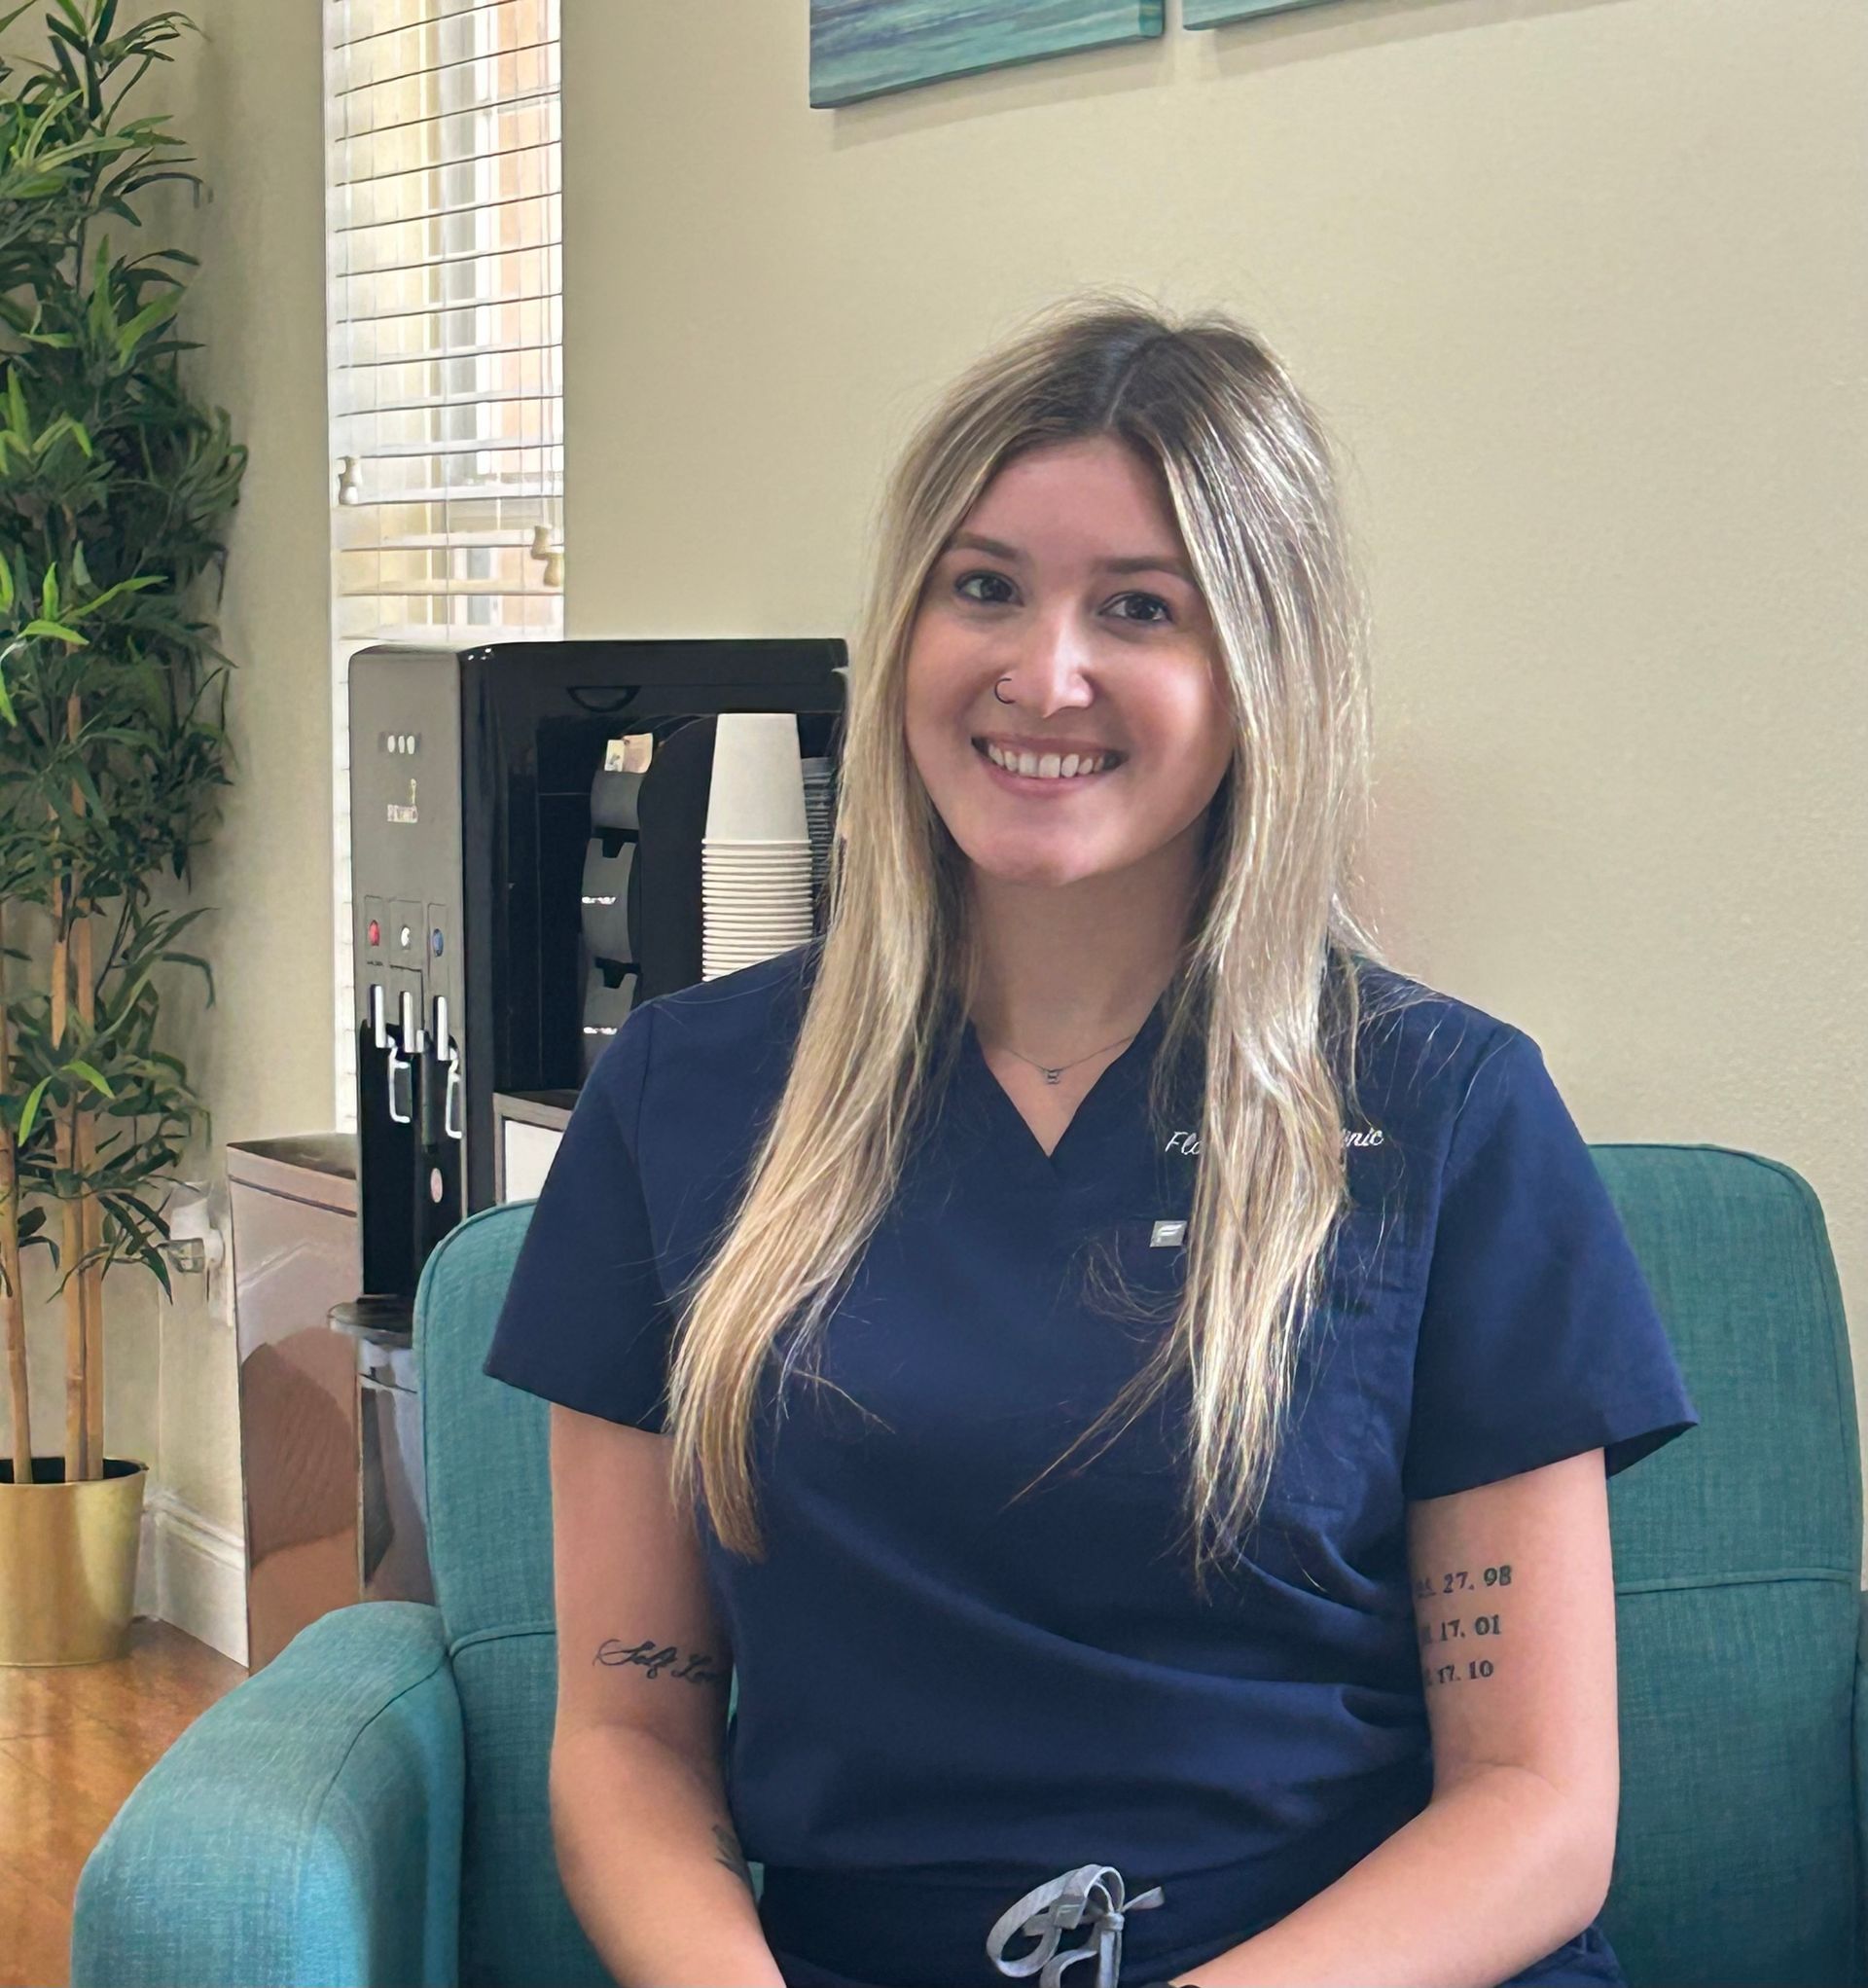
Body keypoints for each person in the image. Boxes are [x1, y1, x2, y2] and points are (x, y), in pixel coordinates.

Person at [483, 290, 1701, 1988]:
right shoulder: (685, 1097)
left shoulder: (1445, 1113)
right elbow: (629, 1738)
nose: (1040, 673)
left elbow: (1541, 1807)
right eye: (985, 588)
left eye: (1140, 608)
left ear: (1258, 672)